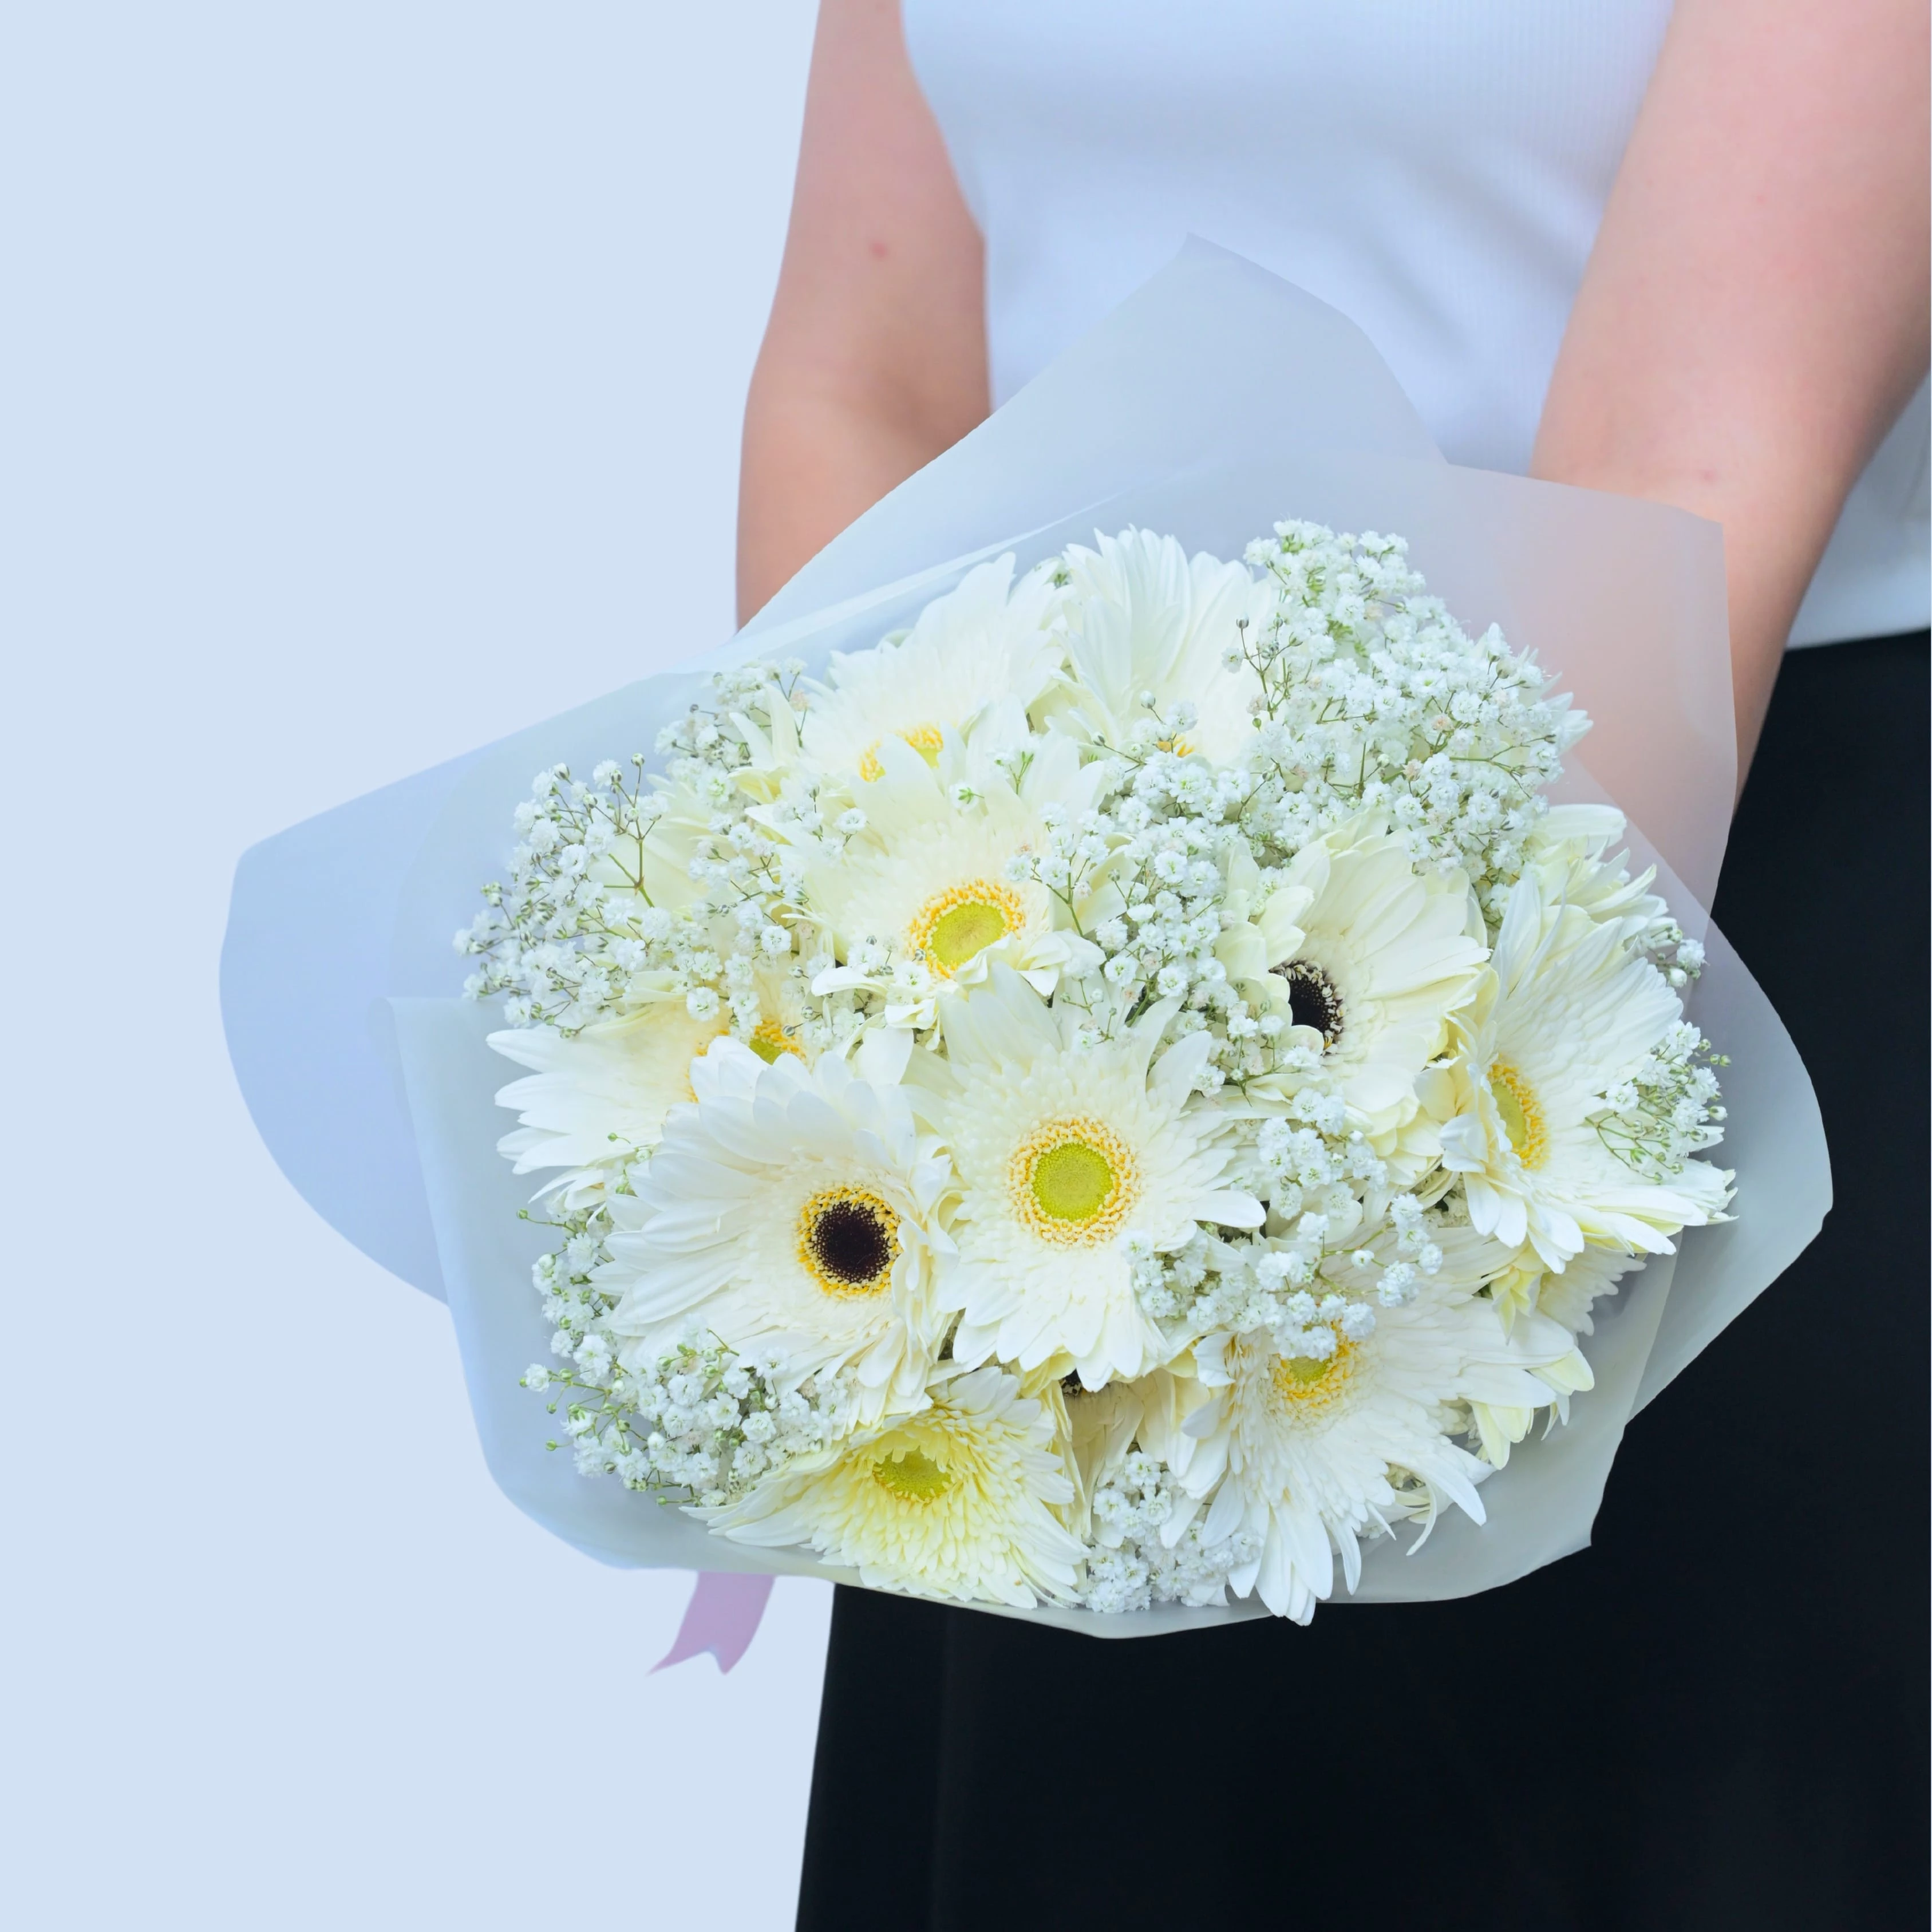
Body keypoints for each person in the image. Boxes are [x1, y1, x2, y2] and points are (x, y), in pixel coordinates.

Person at [737, 6, 1930, 1926]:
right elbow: (863, 373)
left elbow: (1679, 465)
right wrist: (843, 992)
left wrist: (1245, 1130)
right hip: (1043, 995)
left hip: (1651, 954)